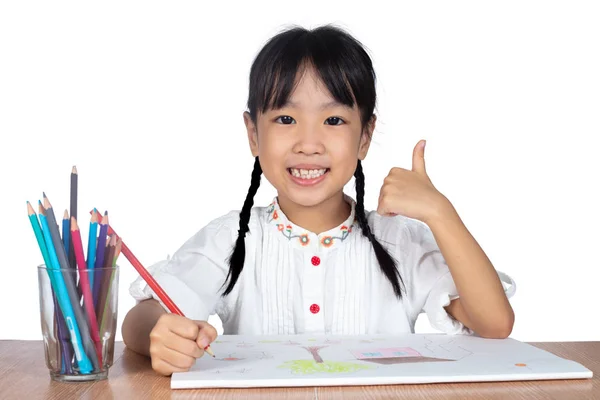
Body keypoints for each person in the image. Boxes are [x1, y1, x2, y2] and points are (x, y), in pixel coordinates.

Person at [121, 24, 517, 376]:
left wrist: (440, 213)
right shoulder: (233, 238)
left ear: (365, 136)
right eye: (285, 119)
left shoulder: (401, 241)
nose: (308, 144)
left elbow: (494, 323)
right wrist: (159, 334)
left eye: (333, 120)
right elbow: (142, 318)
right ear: (253, 134)